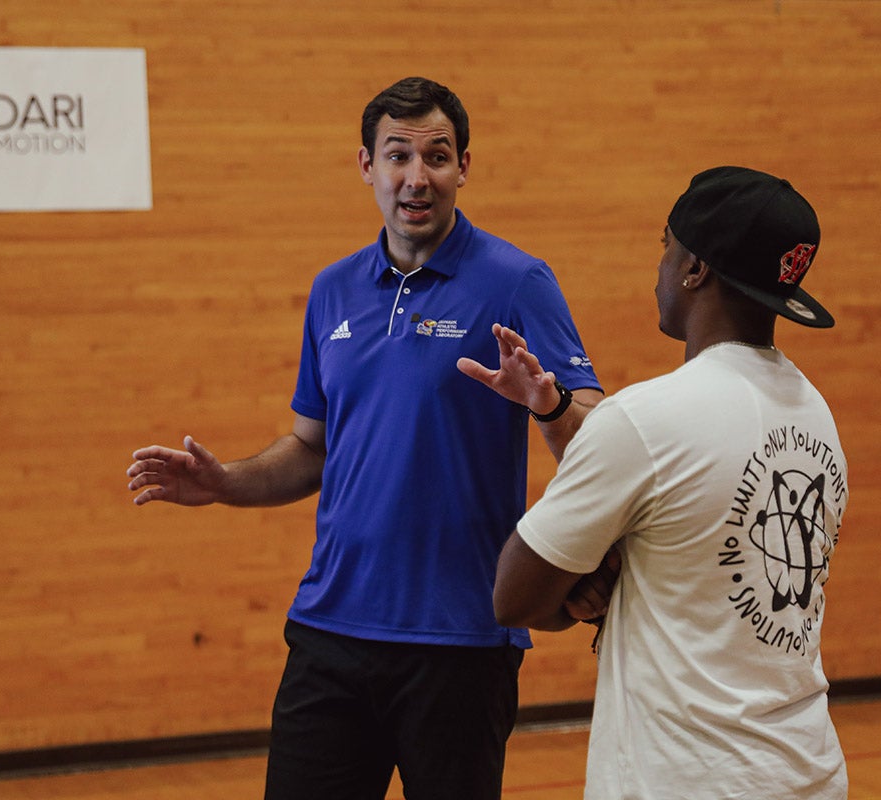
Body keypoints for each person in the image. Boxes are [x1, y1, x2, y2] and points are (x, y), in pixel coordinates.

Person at [127, 76, 603, 800]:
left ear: (463, 167)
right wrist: (227, 483)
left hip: (460, 640)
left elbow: (598, 440)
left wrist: (551, 406)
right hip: (331, 631)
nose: (417, 177)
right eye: (398, 156)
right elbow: (311, 448)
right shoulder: (332, 290)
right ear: (366, 166)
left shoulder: (516, 282)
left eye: (436, 156)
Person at [464, 166, 848, 798]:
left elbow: (515, 597)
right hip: (809, 771)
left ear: (694, 269)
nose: (660, 266)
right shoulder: (816, 415)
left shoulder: (644, 419)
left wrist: (586, 586)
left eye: (666, 246)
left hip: (687, 781)